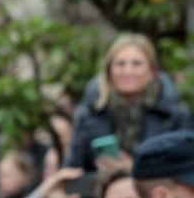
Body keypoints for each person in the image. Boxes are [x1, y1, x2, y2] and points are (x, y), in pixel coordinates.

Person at [65, 34, 193, 172]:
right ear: (109, 71)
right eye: (120, 64)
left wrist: (134, 169)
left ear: (152, 70)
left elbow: (185, 171)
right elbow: (74, 168)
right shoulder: (89, 114)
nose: (128, 71)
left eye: (137, 64)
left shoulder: (175, 115)